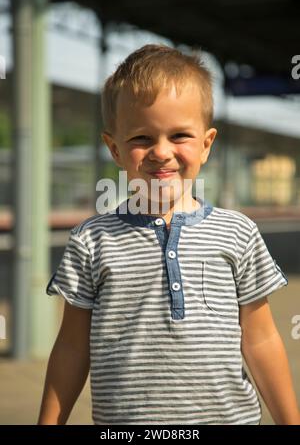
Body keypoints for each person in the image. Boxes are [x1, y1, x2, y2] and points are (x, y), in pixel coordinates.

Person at [38, 44, 300, 425]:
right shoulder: (91, 241)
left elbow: (260, 340)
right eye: (141, 139)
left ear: (206, 144)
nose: (161, 152)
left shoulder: (238, 233)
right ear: (114, 148)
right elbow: (73, 347)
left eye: (179, 135)